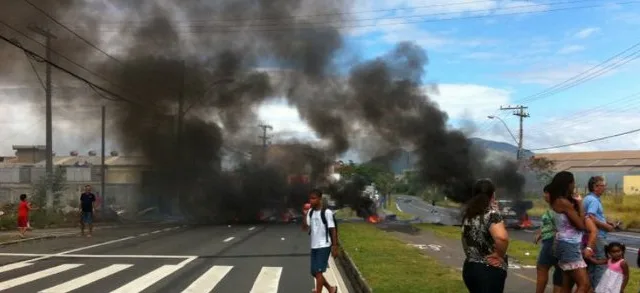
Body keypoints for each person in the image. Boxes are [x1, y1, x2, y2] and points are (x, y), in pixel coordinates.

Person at [461, 178, 509, 293]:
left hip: (470, 267)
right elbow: (502, 238)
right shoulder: (492, 215)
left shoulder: (469, 213)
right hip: (488, 269)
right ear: (492, 195)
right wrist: (499, 254)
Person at [548, 171, 592, 293]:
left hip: (562, 243)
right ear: (567, 184)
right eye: (573, 182)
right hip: (569, 245)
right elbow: (581, 225)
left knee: (567, 283)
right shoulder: (564, 203)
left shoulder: (555, 200)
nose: (574, 184)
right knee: (584, 284)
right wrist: (580, 204)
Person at [583, 176, 618, 289]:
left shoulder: (588, 198)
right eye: (602, 185)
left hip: (591, 235)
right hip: (597, 235)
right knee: (601, 262)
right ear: (595, 187)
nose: (604, 188)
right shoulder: (593, 200)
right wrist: (606, 226)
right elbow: (591, 217)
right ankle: (598, 288)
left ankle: (590, 288)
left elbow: (592, 216)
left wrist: (607, 221)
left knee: (593, 264)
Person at [302, 189, 338, 293]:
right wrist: (304, 214)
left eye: (314, 198)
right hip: (314, 246)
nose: (311, 201)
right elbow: (304, 228)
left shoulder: (327, 212)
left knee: (318, 272)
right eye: (310, 198)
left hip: (324, 245)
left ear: (320, 199)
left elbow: (333, 229)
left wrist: (335, 246)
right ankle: (331, 289)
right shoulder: (310, 212)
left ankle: (318, 291)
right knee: (314, 272)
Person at [534, 184, 563, 293]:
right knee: (559, 272)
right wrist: (541, 233)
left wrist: (554, 239)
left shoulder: (556, 208)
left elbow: (559, 225)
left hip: (552, 241)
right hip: (558, 242)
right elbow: (549, 224)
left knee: (542, 268)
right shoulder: (555, 207)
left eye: (547, 193)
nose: (544, 195)